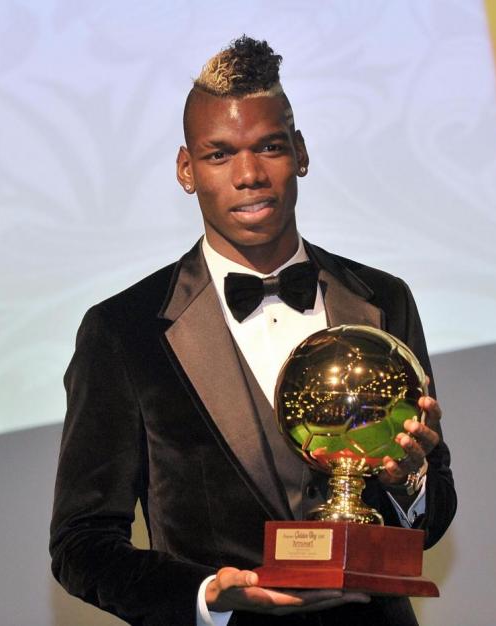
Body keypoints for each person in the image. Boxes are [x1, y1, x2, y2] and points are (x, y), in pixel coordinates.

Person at [50, 36, 457, 626]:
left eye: (269, 147)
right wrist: (208, 596)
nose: (249, 175)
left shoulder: (382, 301)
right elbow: (81, 545)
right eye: (219, 155)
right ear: (186, 170)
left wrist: (408, 482)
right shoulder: (122, 332)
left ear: (301, 152)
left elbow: (432, 517)